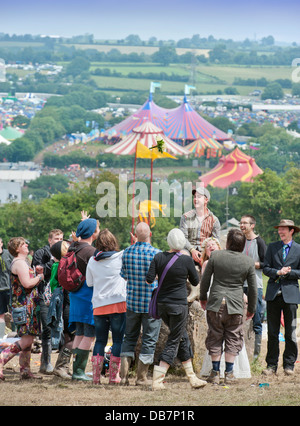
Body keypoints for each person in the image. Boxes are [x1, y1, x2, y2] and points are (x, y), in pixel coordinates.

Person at [146, 228, 207, 390]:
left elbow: (148, 279)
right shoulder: (186, 260)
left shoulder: (158, 257)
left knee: (182, 337)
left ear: (168, 241)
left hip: (162, 305)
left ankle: (192, 377)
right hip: (179, 306)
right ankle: (158, 379)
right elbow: (195, 282)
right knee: (174, 339)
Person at [200, 229, 257, 384]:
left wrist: (203, 298)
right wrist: (251, 309)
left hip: (216, 303)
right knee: (233, 337)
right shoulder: (248, 262)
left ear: (228, 243)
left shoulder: (216, 256)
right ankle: (230, 373)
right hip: (236, 305)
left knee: (215, 335)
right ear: (243, 245)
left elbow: (205, 280)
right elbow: (252, 288)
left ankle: (215, 372)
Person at [119, 222, 161, 386]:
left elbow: (123, 275)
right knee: (149, 340)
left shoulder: (127, 252)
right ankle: (141, 377)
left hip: (132, 303)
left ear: (135, 235)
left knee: (129, 338)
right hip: (151, 305)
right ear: (150, 234)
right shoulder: (156, 254)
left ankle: (123, 377)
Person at [86, 229, 126, 385]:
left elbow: (89, 283)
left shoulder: (92, 260)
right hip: (118, 303)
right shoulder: (121, 256)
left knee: (100, 341)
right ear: (113, 242)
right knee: (117, 341)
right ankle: (113, 376)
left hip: (99, 305)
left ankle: (96, 377)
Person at [0, 237, 44, 380]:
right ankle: (1, 359)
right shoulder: (19, 263)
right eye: (23, 244)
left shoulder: (23, 263)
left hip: (28, 306)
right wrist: (40, 277)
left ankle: (25, 371)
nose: (26, 245)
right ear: (17, 248)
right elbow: (27, 283)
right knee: (25, 340)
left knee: (28, 339)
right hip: (24, 307)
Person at [262, 219, 300, 376]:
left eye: (284, 229)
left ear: (291, 231)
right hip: (273, 295)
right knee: (272, 332)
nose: (280, 231)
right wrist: (277, 272)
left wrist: (289, 272)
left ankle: (289, 364)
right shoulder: (272, 247)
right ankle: (271, 365)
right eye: (279, 229)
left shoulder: (299, 249)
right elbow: (265, 268)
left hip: (291, 296)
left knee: (290, 332)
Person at [68, 217, 100, 381]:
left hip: (75, 296)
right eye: (98, 228)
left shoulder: (72, 247)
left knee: (79, 334)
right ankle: (79, 372)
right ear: (93, 232)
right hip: (88, 297)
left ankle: (76, 370)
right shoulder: (90, 251)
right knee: (89, 335)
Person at [180, 186, 220, 302]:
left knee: (214, 256)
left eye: (199, 197)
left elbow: (215, 241)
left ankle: (210, 291)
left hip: (206, 250)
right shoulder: (186, 217)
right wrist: (192, 250)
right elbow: (183, 238)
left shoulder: (214, 220)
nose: (195, 199)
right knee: (182, 255)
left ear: (206, 200)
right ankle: (192, 289)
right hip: (189, 249)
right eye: (194, 197)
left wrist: (204, 252)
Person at [31, 229, 64, 375]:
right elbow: (40, 272)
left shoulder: (65, 252)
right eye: (56, 238)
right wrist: (53, 261)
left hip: (62, 294)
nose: (59, 241)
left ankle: (60, 365)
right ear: (50, 240)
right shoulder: (41, 253)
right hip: (45, 295)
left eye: (61, 238)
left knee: (62, 329)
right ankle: (46, 363)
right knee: (47, 328)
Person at [240, 215, 267, 359]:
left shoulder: (260, 242)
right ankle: (240, 355)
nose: (242, 225)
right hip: (238, 285)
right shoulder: (239, 241)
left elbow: (266, 264)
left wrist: (250, 263)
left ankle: (255, 357)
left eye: (245, 223)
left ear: (253, 225)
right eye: (241, 222)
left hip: (255, 285)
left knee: (256, 320)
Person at [48, 240, 73, 379]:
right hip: (64, 305)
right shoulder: (58, 266)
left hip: (66, 304)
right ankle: (61, 367)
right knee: (70, 337)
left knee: (70, 337)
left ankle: (63, 367)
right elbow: (53, 284)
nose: (69, 247)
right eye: (66, 247)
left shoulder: (59, 265)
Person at [0, 238, 13, 339]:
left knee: (15, 312)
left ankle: (18, 334)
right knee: (1, 314)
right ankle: (1, 336)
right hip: (0, 289)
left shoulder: (8, 253)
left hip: (10, 288)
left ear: (1, 243)